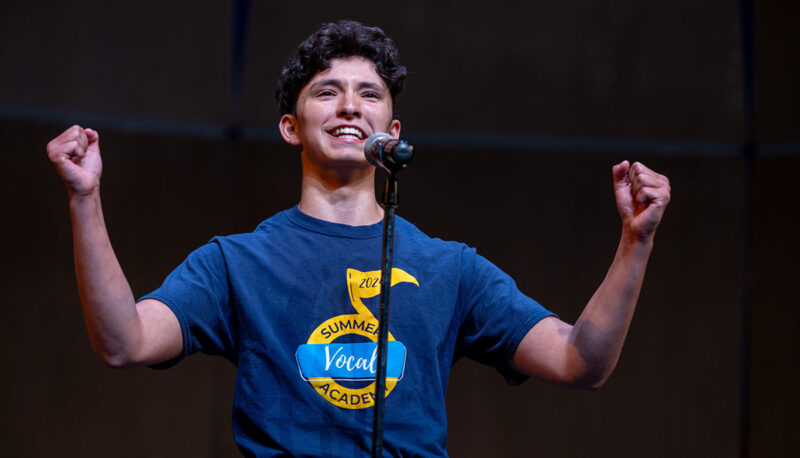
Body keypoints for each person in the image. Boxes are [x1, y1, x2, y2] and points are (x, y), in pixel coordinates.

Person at [46, 20, 670, 457]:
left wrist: (634, 243)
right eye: (327, 92)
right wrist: (85, 198)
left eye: (368, 94)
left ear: (391, 130)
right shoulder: (234, 264)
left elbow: (580, 361)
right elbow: (123, 342)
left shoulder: (450, 268)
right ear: (291, 127)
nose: (350, 106)